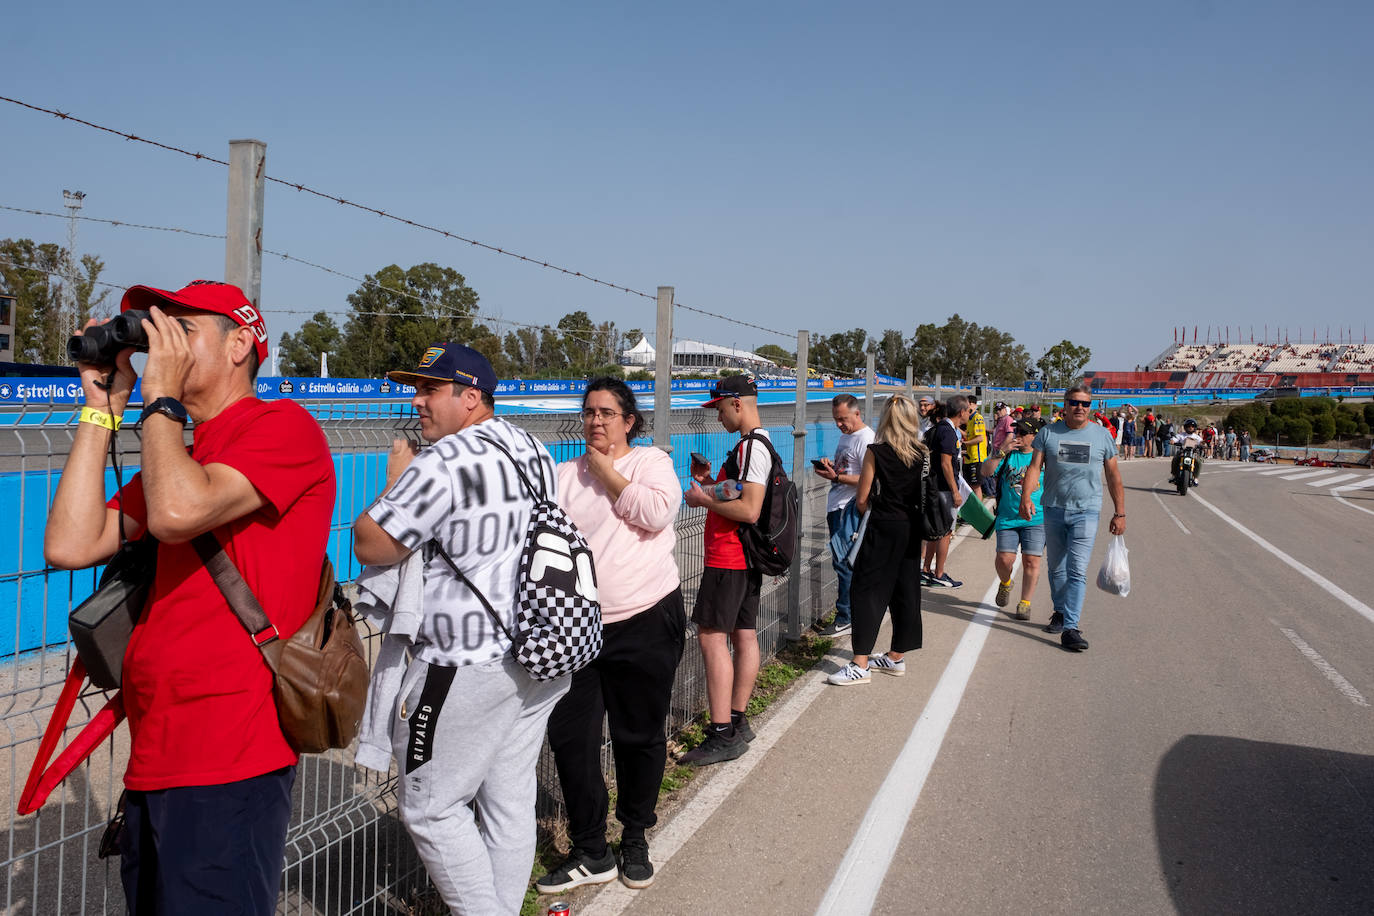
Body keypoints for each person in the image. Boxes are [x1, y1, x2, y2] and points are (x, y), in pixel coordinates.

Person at [45, 280, 335, 914]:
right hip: (157, 747)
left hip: (230, 752)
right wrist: (102, 407)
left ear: (240, 345)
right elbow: (71, 542)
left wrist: (160, 400)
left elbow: (179, 513)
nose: (162, 343)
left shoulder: (283, 427)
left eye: (183, 329)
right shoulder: (180, 451)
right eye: (157, 329)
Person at [353, 343, 568, 914]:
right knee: (507, 802)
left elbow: (370, 542)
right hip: (536, 648)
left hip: (462, 660)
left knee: (429, 808)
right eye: (415, 388)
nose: (416, 400)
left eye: (430, 389)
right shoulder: (531, 448)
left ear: (470, 397)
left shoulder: (440, 462)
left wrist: (395, 482)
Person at [540, 378, 685, 893]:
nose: (595, 421)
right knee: (570, 737)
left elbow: (658, 512)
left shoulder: (650, 464)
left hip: (646, 618)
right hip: (578, 627)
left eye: (606, 412)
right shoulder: (562, 476)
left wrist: (607, 473)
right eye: (588, 413)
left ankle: (636, 836)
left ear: (629, 420)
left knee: (638, 734)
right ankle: (590, 847)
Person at [680, 375, 773, 766]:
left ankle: (722, 733)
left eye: (719, 408)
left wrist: (702, 500)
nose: (717, 417)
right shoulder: (756, 445)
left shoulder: (752, 446)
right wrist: (712, 484)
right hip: (743, 557)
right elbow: (736, 490)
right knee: (744, 634)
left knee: (712, 638)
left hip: (730, 556)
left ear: (737, 403)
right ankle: (736, 719)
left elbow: (749, 508)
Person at [826, 396, 927, 686]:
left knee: (866, 590)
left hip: (882, 526)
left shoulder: (876, 452)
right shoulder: (923, 452)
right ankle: (896, 656)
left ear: (886, 420)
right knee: (906, 591)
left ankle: (860, 662)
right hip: (912, 529)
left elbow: (861, 498)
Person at [1019, 386, 1126, 652]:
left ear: (1091, 407)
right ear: (1065, 405)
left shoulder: (1102, 435)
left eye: (1085, 404)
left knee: (1077, 571)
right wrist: (1026, 498)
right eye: (1074, 402)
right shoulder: (1048, 433)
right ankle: (1059, 611)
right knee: (1056, 568)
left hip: (1086, 511)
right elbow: (1034, 467)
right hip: (1053, 509)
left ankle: (1071, 627)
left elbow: (1113, 476)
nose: (1080, 407)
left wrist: (1120, 512)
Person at [813, 394, 875, 638]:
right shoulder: (846, 436)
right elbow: (847, 468)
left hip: (848, 508)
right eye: (836, 419)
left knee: (845, 562)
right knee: (843, 562)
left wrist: (836, 478)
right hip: (837, 505)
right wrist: (831, 467)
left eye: (843, 419)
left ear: (857, 414)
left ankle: (845, 617)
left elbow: (868, 479)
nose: (839, 423)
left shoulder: (866, 438)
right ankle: (850, 614)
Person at [981, 419, 1044, 621]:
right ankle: (1006, 583)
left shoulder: (1043, 458)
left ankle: (1025, 603)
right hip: (1008, 517)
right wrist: (1000, 451)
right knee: (1004, 559)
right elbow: (986, 472)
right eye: (1017, 430)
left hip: (1036, 517)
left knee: (1031, 560)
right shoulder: (1008, 456)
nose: (1019, 435)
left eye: (1024, 432)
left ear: (1035, 436)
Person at [921, 396, 968, 589]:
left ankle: (926, 570)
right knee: (946, 531)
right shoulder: (948, 432)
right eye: (968, 411)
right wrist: (955, 491)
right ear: (961, 412)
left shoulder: (936, 429)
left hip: (933, 487)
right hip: (943, 489)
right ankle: (939, 573)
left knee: (936, 531)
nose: (969, 414)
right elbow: (946, 463)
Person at [962, 394, 989, 495]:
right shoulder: (970, 419)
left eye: (966, 404)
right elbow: (968, 435)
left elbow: (980, 438)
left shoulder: (978, 418)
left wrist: (965, 443)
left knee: (976, 486)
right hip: (969, 457)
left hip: (976, 457)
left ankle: (979, 510)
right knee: (969, 485)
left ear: (973, 405)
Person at [1170, 419, 1205, 485]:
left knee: (1199, 462)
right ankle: (1174, 475)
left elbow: (1201, 442)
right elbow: (1175, 438)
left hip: (1193, 452)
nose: (1190, 428)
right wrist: (1173, 441)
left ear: (1194, 428)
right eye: (1189, 426)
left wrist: (1203, 443)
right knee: (1175, 459)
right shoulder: (1181, 435)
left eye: (1192, 426)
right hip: (1182, 452)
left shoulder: (1196, 436)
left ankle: (1196, 478)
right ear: (1186, 427)